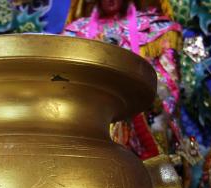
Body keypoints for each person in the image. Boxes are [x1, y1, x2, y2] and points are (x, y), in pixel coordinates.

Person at [63, 0, 183, 160]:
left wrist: (147, 99)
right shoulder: (76, 32)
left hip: (139, 118)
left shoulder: (154, 28)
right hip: (88, 118)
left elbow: (168, 81)